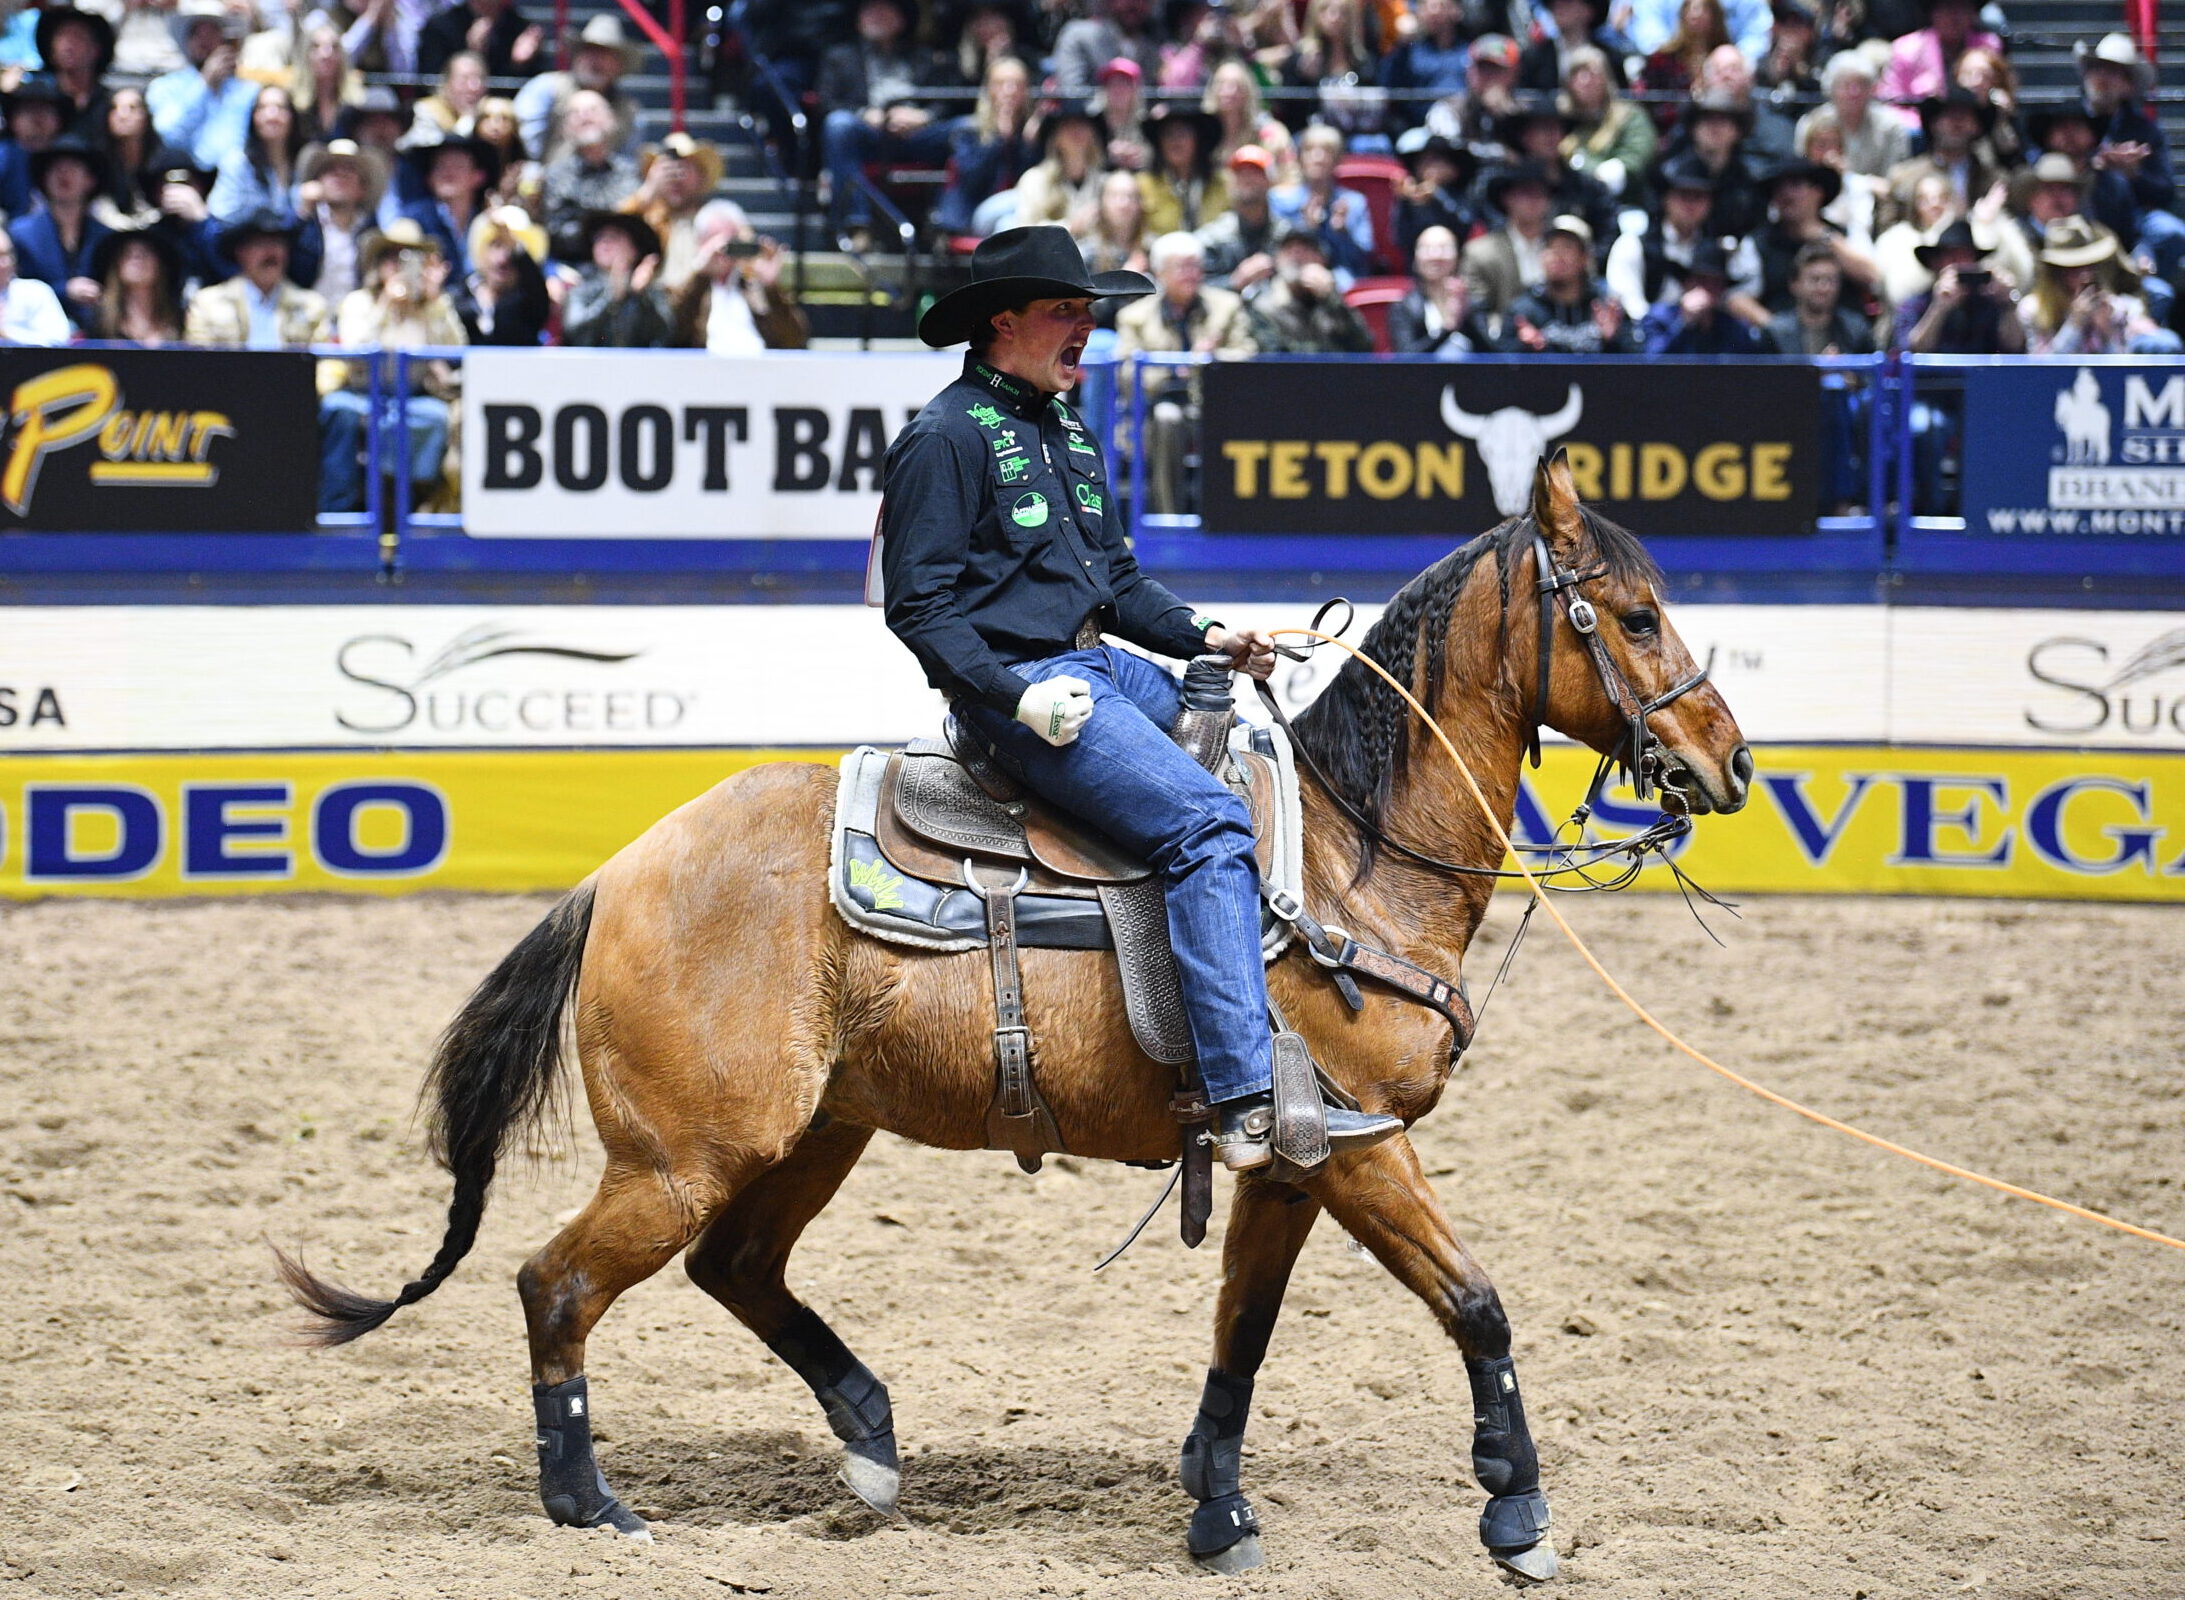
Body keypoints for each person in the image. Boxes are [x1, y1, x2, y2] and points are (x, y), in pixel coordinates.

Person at [878, 223, 1401, 1172]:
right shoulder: (943, 437)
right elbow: (917, 607)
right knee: (1207, 824)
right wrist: (1012, 698)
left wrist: (1206, 635)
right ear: (1003, 322)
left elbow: (1116, 584)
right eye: (1064, 310)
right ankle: (1242, 1095)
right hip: (1026, 689)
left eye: (1088, 310)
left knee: (1256, 768)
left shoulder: (1066, 429)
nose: (1086, 326)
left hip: (1102, 668)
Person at [323, 220, 467, 513]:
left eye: (410, 258)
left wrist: (436, 303)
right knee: (338, 410)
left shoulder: (430, 306)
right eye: (393, 257)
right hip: (362, 394)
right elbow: (355, 351)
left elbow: (456, 350)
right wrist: (386, 304)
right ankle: (338, 510)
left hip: (413, 397)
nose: (400, 266)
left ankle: (413, 506)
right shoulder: (359, 303)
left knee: (437, 417)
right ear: (378, 264)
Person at [1114, 229, 1254, 512]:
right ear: (1160, 273)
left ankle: (1230, 518)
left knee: (1233, 419)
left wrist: (1212, 360)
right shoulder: (1134, 317)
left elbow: (1248, 354)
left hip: (1216, 402)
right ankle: (1168, 516)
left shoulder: (1227, 306)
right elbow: (1127, 373)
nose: (1191, 274)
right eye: (1181, 267)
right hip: (1159, 407)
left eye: (1195, 266)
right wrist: (1176, 367)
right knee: (1167, 419)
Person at [817, 0, 956, 234]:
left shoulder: (925, 56)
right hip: (871, 135)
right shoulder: (840, 57)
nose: (875, 16)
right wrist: (865, 114)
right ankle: (857, 222)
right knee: (838, 124)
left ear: (900, 19)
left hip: (919, 135)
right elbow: (826, 102)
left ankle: (949, 223)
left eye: (883, 10)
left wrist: (924, 115)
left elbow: (947, 100)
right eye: (869, 10)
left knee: (968, 129)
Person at [2019, 215, 2179, 356]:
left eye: (2089, 266)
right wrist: (2074, 324)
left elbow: (2124, 371)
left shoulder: (2117, 308)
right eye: (2073, 268)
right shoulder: (2033, 310)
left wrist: (2106, 330)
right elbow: (2042, 370)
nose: (2084, 275)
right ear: (2055, 273)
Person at [672, 198, 809, 351]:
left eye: (732, 240)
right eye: (713, 239)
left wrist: (771, 290)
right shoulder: (687, 284)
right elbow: (675, 332)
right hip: (703, 363)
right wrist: (701, 276)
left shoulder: (753, 286)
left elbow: (793, 340)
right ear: (699, 242)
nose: (722, 248)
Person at [9, 137, 113, 333]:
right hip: (34, 334)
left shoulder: (107, 237)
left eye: (73, 167)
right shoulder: (20, 234)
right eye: (55, 168)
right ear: (44, 179)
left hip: (97, 333)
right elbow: (10, 290)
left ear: (90, 180)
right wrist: (64, 290)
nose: (63, 174)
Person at [183, 207, 329, 346]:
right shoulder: (207, 303)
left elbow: (325, 359)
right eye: (260, 244)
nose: (270, 252)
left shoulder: (311, 306)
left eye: (277, 243)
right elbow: (198, 360)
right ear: (240, 252)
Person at [514, 12, 641, 164]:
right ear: (576, 56)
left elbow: (629, 158)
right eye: (590, 51)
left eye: (605, 54)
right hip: (550, 175)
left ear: (618, 64)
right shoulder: (546, 88)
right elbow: (525, 144)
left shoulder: (629, 109)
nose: (596, 60)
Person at [1499, 214, 1637, 353]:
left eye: (1567, 247)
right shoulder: (1523, 311)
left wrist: (1611, 340)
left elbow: (1637, 357)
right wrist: (1525, 350)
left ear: (1585, 257)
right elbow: (1500, 359)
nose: (1556, 255)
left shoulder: (1607, 308)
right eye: (1549, 247)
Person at [148, 0, 259, 172]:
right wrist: (205, 84)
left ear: (224, 40)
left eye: (212, 32)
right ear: (186, 41)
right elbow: (168, 135)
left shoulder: (247, 91)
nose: (204, 40)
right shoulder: (165, 86)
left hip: (234, 177)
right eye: (197, 33)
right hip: (181, 174)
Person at [939, 55, 1044, 236]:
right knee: (1025, 203)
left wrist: (1028, 145)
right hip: (976, 214)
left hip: (1017, 215)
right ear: (988, 89)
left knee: (1008, 223)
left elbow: (1031, 176)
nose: (1009, 91)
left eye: (1017, 84)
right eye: (1001, 83)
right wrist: (999, 140)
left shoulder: (1031, 132)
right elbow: (971, 182)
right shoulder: (968, 130)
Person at [542, 89, 640, 262]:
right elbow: (557, 235)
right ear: (564, 128)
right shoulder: (554, 176)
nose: (585, 117)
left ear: (612, 120)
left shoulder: (632, 172)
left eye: (593, 110)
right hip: (573, 268)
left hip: (628, 266)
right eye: (575, 113)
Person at [1244, 224, 1373, 352]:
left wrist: (1332, 300)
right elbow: (1276, 355)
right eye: (1288, 248)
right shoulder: (1263, 306)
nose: (1296, 255)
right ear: (1276, 259)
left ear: (1321, 258)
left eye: (1305, 248)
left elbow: (1364, 347)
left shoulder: (1332, 301)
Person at [621, 130, 721, 293]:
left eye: (685, 169)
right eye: (669, 170)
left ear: (701, 175)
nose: (676, 177)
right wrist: (649, 190)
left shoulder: (717, 220)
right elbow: (614, 229)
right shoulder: (648, 218)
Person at [1269, 124, 1373, 279]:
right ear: (1299, 158)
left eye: (1327, 151)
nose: (1318, 158)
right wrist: (1306, 228)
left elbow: (1364, 260)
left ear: (1338, 160)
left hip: (1340, 277)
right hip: (1292, 275)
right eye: (1309, 150)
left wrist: (1342, 233)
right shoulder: (1279, 199)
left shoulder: (1354, 202)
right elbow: (1274, 249)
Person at [296, 136, 391, 302]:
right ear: (317, 181)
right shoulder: (304, 224)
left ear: (363, 188)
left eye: (349, 169)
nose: (340, 174)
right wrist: (304, 213)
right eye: (330, 169)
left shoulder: (370, 231)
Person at [1876, 0, 1998, 129]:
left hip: (1976, 124)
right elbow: (1890, 100)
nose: (1955, 17)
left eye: (1962, 9)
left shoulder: (1988, 45)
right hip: (1918, 128)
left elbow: (2000, 90)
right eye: (1947, 9)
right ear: (1933, 13)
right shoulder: (1906, 49)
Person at [1462, 160, 1554, 326]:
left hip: (1558, 335)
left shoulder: (1565, 248)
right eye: (1525, 193)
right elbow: (1478, 313)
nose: (1533, 200)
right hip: (1504, 335)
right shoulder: (1481, 252)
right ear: (1507, 198)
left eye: (1540, 193)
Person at [1560, 45, 1656, 200]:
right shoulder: (1560, 120)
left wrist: (1578, 162)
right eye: (1577, 72)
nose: (1585, 80)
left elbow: (1632, 163)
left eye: (1593, 73)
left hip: (1621, 201)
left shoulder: (1629, 116)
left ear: (1606, 79)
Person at [1640, 236, 1765, 352]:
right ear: (1687, 283)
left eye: (1716, 283)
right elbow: (1652, 361)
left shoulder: (1735, 328)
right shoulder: (1659, 317)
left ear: (1723, 288)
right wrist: (1684, 322)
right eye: (1702, 281)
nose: (1708, 289)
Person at [452, 205, 554, 345]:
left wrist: (515, 246)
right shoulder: (461, 293)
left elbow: (537, 292)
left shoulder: (530, 301)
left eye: (510, 248)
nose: (503, 259)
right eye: (496, 245)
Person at [209, 83, 305, 228]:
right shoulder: (237, 162)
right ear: (253, 116)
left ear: (293, 116)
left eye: (281, 107)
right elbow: (221, 217)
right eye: (263, 107)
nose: (272, 115)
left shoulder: (304, 162)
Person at [401, 135, 496, 280]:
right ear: (429, 178)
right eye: (440, 166)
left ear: (478, 176)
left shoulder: (489, 221)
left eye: (458, 165)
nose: (448, 172)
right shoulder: (413, 220)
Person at [1389, 224, 1495, 353]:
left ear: (1458, 256)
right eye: (1427, 249)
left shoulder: (1473, 303)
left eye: (1444, 248)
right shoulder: (1404, 307)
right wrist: (1447, 328)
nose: (1436, 256)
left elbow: (1492, 355)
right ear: (1415, 258)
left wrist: (1466, 318)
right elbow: (1406, 358)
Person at [1765, 238, 1875, 354]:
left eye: (1830, 280)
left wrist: (1843, 365)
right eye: (1815, 279)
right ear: (1795, 284)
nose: (1823, 288)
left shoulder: (1856, 330)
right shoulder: (1775, 334)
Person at [1195, 143, 1279, 293]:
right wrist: (1235, 281)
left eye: (1255, 173)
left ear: (1270, 181)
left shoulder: (1287, 235)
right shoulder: (1212, 239)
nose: (1247, 179)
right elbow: (1197, 289)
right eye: (1240, 173)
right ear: (1230, 183)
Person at [1011, 101, 1106, 232]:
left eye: (1082, 124)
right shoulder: (1034, 180)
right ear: (1055, 138)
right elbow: (1024, 229)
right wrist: (1070, 227)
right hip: (1049, 246)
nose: (1076, 131)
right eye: (1068, 125)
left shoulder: (1105, 184)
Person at [1378, 0, 1467, 135]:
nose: (1434, 11)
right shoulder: (1409, 52)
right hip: (1419, 130)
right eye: (1428, 6)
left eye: (1441, 5)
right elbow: (1387, 86)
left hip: (1464, 127)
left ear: (1456, 10)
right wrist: (1401, 43)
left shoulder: (1469, 52)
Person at [1137, 105, 1228, 237]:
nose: (1175, 141)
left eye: (1183, 133)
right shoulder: (1142, 186)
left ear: (1198, 140)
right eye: (1168, 134)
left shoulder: (1223, 183)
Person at [1391, 130, 1478, 264]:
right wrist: (1405, 201)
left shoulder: (1465, 193)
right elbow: (1399, 238)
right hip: (1419, 265)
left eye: (1436, 161)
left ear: (1453, 168)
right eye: (1424, 161)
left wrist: (1437, 194)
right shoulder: (1410, 196)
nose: (1429, 167)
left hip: (1458, 261)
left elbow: (1465, 225)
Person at [89, 227, 186, 344]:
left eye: (146, 252)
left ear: (161, 265)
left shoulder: (180, 318)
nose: (137, 258)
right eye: (127, 253)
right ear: (116, 266)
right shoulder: (97, 320)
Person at [1052, 0, 1164, 97]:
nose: (1133, 4)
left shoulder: (1153, 47)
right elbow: (1072, 93)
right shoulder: (1079, 35)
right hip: (1089, 114)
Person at [36, 6, 114, 141]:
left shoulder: (112, 104)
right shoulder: (37, 100)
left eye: (77, 37)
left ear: (96, 50)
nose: (68, 46)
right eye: (61, 36)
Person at [417, 0, 545, 80]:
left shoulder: (521, 28)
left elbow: (533, 87)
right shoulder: (441, 26)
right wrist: (471, 54)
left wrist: (518, 65)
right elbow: (430, 82)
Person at [0, 233, 72, 345]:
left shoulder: (35, 292)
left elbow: (58, 341)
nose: (6, 262)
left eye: (8, 253)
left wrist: (6, 333)